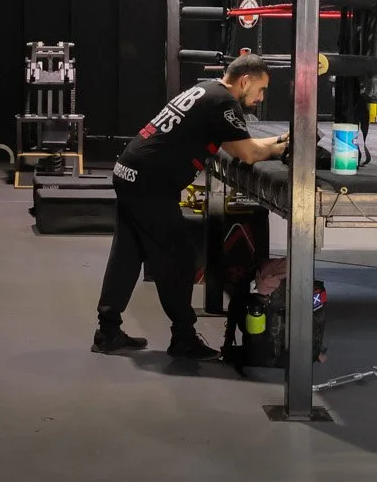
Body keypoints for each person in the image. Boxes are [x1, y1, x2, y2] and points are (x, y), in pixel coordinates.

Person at [93, 54, 290, 361]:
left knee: (127, 252)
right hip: (151, 185)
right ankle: (183, 337)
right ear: (245, 81)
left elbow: (235, 145)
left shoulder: (207, 90)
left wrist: (281, 141)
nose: (261, 97)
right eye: (261, 89)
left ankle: (107, 331)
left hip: (129, 172)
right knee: (180, 258)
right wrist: (286, 147)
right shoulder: (224, 103)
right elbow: (247, 153)